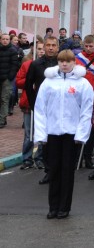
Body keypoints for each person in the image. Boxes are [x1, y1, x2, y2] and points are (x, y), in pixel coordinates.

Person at [33, 49, 93, 219]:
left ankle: (64, 207)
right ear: (57, 63)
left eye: (68, 61)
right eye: (61, 61)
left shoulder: (82, 84)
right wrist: (41, 134)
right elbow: (40, 109)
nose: (65, 65)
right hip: (52, 132)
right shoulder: (49, 82)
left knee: (67, 171)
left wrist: (81, 135)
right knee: (53, 170)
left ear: (74, 62)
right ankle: (53, 206)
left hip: (71, 135)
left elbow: (86, 111)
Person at [25, 35, 60, 183]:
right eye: (48, 45)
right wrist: (35, 105)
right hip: (43, 109)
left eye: (53, 45)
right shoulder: (35, 64)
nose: (51, 48)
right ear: (43, 47)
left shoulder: (62, 64)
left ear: (58, 47)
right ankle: (49, 171)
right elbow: (28, 86)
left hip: (60, 108)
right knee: (45, 142)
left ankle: (59, 170)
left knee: (59, 140)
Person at [18, 41, 44, 169]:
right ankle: (27, 159)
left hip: (43, 105)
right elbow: (18, 81)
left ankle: (39, 158)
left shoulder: (48, 65)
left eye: (42, 48)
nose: (41, 51)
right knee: (29, 133)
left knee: (42, 133)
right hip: (29, 103)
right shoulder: (27, 64)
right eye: (38, 48)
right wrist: (30, 81)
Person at [76, 35, 94, 170]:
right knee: (79, 127)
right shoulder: (77, 59)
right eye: (87, 46)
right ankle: (77, 157)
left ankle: (88, 156)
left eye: (91, 46)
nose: (89, 48)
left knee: (92, 130)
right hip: (80, 97)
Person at [0, 32, 22, 128]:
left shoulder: (13, 51)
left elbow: (15, 65)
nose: (5, 41)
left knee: (5, 99)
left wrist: (10, 77)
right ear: (0, 40)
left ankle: (1, 120)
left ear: (9, 40)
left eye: (7, 39)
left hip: (7, 79)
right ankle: (3, 118)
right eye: (3, 39)